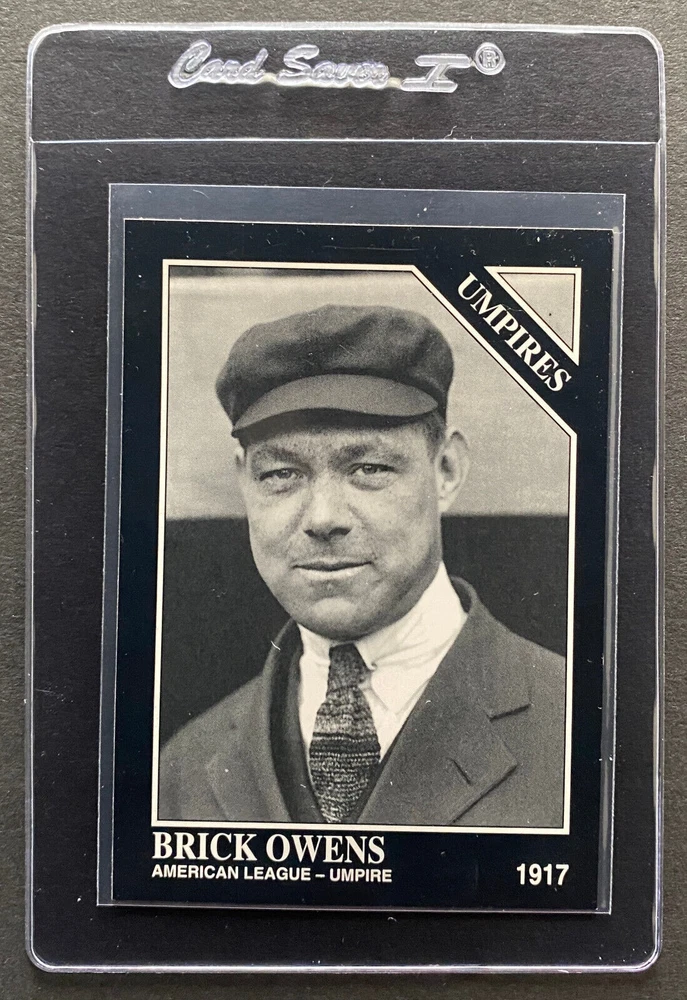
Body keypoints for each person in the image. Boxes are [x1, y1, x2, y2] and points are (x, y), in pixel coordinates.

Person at [159, 304, 565, 828]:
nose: (323, 518)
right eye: (282, 474)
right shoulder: (184, 768)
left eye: (369, 468)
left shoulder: (580, 727)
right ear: (244, 483)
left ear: (446, 470)